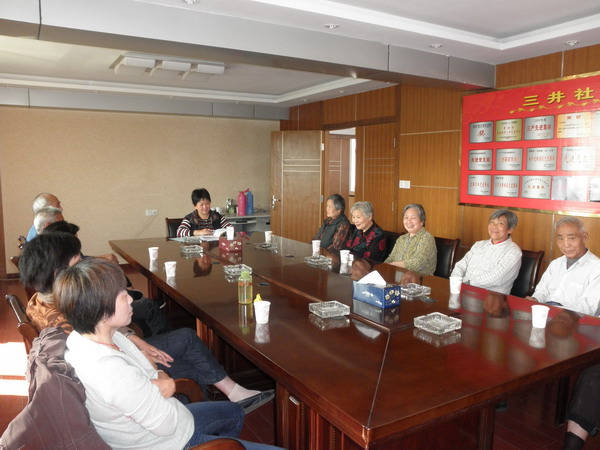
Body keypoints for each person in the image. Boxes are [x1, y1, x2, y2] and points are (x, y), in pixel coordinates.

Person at [19, 233, 274, 414]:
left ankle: (227, 397)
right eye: (78, 263)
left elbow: (102, 326)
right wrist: (143, 355)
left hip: (125, 352)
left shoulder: (42, 300)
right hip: (129, 374)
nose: (86, 267)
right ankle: (213, 412)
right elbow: (107, 361)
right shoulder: (63, 317)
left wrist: (135, 340)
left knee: (184, 339)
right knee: (187, 347)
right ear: (58, 274)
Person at [55, 257, 278, 449]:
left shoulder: (90, 335)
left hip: (170, 421)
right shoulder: (109, 371)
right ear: (101, 309)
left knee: (234, 413)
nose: (131, 298)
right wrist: (165, 384)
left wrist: (158, 379)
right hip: (168, 442)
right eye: (123, 295)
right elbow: (167, 425)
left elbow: (150, 371)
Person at [528, 216, 600, 316]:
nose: (566, 244)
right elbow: (542, 290)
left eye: (571, 238)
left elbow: (588, 307)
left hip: (574, 319)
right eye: (561, 238)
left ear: (584, 237)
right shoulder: (555, 264)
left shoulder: (596, 268)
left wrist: (555, 312)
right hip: (546, 314)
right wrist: (535, 299)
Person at [450, 209, 522, 295]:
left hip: (492, 298)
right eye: (492, 222)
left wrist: (467, 283)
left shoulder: (514, 252)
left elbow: (496, 278)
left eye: (500, 223)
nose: (494, 226)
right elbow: (461, 265)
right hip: (463, 290)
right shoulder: (479, 244)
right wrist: (456, 281)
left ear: (510, 229)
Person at [384, 204, 437, 275]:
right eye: (406, 217)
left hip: (420, 279)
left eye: (413, 218)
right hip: (397, 277)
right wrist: (382, 268)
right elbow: (391, 258)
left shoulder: (427, 238)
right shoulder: (401, 239)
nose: (409, 221)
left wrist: (393, 264)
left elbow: (418, 263)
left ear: (422, 221)